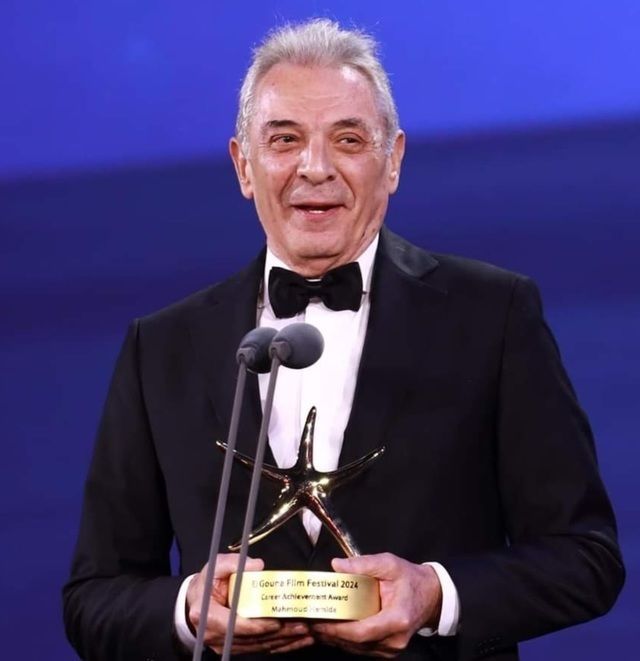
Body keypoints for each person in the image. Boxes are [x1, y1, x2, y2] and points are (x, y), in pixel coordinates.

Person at [63, 18, 624, 661]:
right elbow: (93, 598)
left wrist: (436, 595)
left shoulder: (494, 315)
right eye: (285, 140)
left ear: (394, 161)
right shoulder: (161, 346)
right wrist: (187, 608)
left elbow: (586, 558)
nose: (316, 168)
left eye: (349, 140)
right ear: (243, 165)